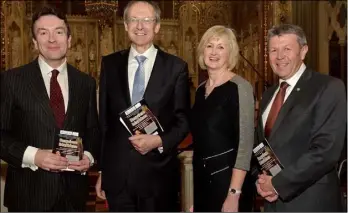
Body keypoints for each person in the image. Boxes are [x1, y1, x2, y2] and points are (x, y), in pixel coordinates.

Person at [0, 6, 99, 211]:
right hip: (28, 196)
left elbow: (93, 132)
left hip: (73, 197)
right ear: (35, 42)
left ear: (69, 40)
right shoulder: (11, 80)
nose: (52, 39)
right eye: (43, 33)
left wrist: (88, 156)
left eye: (59, 32)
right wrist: (34, 156)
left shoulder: (86, 83)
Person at [95, 0, 190, 211]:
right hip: (118, 179)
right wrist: (103, 171)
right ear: (126, 25)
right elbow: (104, 124)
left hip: (158, 178)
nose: (140, 26)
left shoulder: (176, 67)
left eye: (147, 20)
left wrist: (157, 140)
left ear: (157, 26)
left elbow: (183, 122)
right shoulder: (109, 65)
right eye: (134, 20)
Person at [255, 24, 346, 211]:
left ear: (303, 51)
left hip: (311, 202)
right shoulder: (268, 95)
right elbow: (263, 145)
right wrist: (263, 180)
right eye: (273, 50)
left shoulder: (328, 87)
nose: (279, 56)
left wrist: (278, 184)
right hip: (273, 202)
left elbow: (325, 151)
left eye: (287, 49)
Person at [190, 25, 255, 212]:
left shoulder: (240, 87)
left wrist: (234, 194)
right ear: (202, 50)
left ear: (231, 53)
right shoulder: (201, 89)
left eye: (221, 47)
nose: (214, 52)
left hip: (228, 183)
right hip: (202, 181)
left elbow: (245, 145)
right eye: (209, 46)